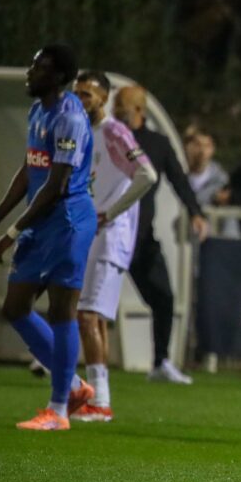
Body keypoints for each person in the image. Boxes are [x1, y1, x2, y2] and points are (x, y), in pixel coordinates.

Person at [0, 44, 96, 430]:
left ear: (59, 77)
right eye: (32, 64)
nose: (30, 72)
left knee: (62, 310)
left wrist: (11, 233)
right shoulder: (37, 110)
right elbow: (30, 171)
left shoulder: (70, 118)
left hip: (68, 223)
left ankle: (58, 410)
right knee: (15, 308)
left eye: (39, 67)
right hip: (40, 220)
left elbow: (57, 186)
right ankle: (73, 385)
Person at [71, 71, 158, 422]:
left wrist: (111, 212)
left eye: (87, 95)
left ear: (103, 98)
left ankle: (100, 402)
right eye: (76, 93)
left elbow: (147, 175)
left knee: (87, 315)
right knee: (95, 317)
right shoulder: (83, 133)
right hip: (94, 232)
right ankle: (98, 399)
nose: (80, 100)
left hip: (111, 235)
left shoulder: (113, 132)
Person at [113, 85, 208, 384]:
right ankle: (51, 355)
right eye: (116, 108)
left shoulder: (157, 144)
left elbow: (179, 180)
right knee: (82, 300)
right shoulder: (108, 138)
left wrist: (195, 212)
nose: (117, 113)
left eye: (123, 108)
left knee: (164, 297)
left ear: (140, 111)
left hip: (141, 240)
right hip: (108, 236)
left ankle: (160, 363)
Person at [183, 126, 229, 208]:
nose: (202, 151)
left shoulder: (222, 181)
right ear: (186, 146)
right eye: (197, 145)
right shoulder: (175, 174)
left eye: (207, 146)